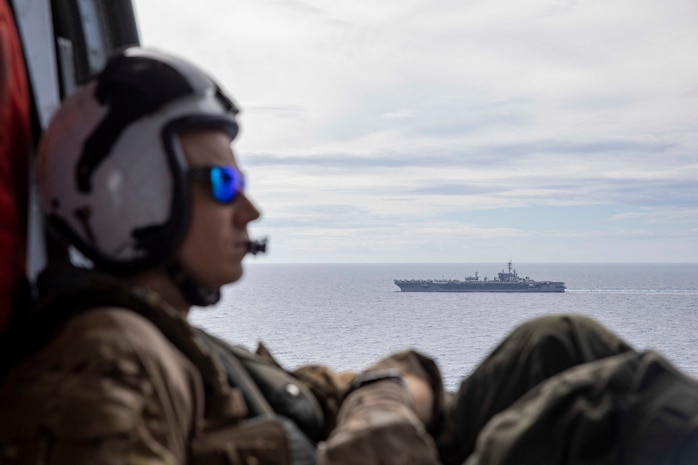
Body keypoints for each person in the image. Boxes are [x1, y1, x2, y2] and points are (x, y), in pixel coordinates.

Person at [0, 47, 696, 465]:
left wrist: (378, 402)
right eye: (223, 183)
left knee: (555, 340)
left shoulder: (179, 338)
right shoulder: (107, 355)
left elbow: (335, 387)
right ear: (138, 195)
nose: (251, 209)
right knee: (619, 402)